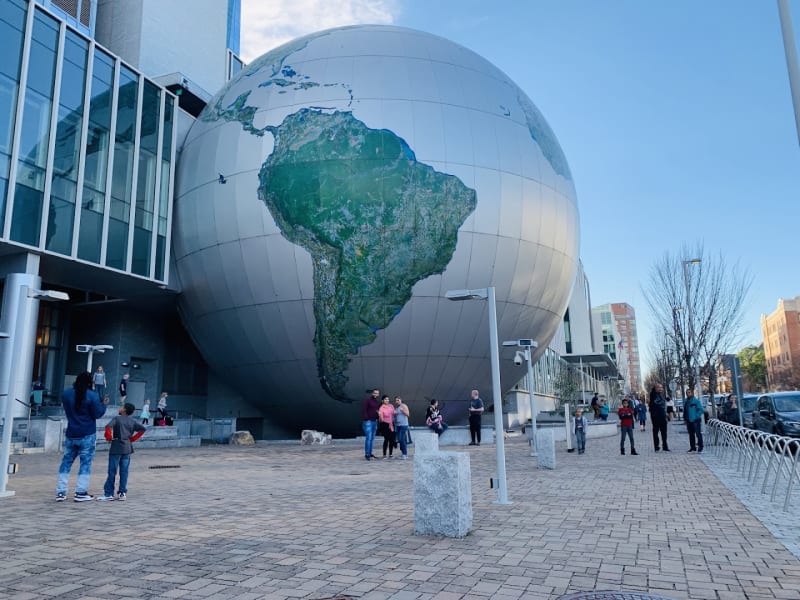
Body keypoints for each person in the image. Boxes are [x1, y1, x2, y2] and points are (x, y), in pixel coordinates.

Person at [55, 372, 108, 502]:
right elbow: (97, 413)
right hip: (87, 433)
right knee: (85, 463)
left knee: (66, 461)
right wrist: (104, 404)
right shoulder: (92, 395)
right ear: (90, 382)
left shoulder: (67, 394)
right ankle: (80, 492)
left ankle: (61, 492)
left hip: (72, 432)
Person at [97, 403, 147, 501]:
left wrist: (108, 437)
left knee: (112, 471)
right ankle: (122, 492)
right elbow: (142, 429)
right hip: (127, 447)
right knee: (124, 471)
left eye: (122, 407)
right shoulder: (132, 421)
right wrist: (132, 438)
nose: (120, 408)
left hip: (116, 446)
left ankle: (109, 493)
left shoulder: (117, 419)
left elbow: (108, 427)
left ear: (124, 410)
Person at [649, 383, 670, 451]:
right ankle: (656, 447)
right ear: (655, 389)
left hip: (663, 416)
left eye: (661, 387)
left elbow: (665, 404)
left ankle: (665, 446)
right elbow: (652, 395)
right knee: (656, 432)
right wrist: (653, 416)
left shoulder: (662, 395)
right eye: (658, 387)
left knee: (664, 432)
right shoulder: (653, 395)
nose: (660, 388)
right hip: (656, 417)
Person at [684, 387, 705, 453]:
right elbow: (685, 410)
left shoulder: (696, 401)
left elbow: (701, 410)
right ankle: (692, 447)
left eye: (689, 392)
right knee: (691, 434)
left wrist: (696, 416)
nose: (688, 394)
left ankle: (700, 447)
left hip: (695, 420)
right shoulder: (686, 401)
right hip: (688, 420)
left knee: (698, 434)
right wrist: (685, 418)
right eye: (687, 393)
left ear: (692, 393)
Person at [361, 389, 380, 460]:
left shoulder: (377, 402)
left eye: (377, 393)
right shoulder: (367, 401)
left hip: (375, 422)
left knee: (372, 439)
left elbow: (377, 411)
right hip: (368, 422)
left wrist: (378, 417)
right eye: (375, 393)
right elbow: (364, 410)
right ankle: (367, 454)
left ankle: (370, 453)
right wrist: (367, 419)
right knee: (368, 438)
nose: (376, 394)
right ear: (372, 393)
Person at [377, 394, 396, 459]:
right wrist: (380, 416)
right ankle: (384, 455)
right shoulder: (381, 408)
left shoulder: (391, 406)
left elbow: (394, 413)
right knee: (386, 439)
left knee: (392, 440)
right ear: (382, 400)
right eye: (385, 399)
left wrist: (396, 412)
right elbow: (381, 420)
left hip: (391, 424)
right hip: (385, 425)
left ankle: (390, 454)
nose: (387, 400)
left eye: (388, 399)